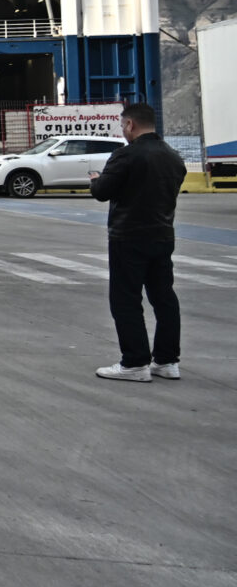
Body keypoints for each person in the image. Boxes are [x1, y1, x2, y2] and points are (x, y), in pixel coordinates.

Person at [88, 103, 188, 382]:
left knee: (126, 300)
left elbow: (103, 192)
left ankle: (135, 363)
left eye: (122, 126)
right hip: (163, 235)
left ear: (130, 124)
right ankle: (167, 361)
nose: (123, 131)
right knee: (164, 298)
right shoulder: (173, 157)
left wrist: (95, 180)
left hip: (128, 236)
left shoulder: (126, 155)